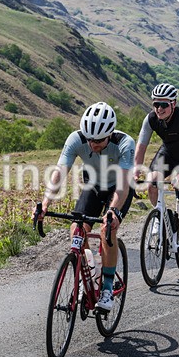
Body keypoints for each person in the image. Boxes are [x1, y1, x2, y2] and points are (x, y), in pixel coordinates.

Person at [38, 102, 135, 311]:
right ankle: (90, 271)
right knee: (76, 230)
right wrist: (46, 202)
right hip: (93, 186)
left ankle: (107, 287)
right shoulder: (76, 139)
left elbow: (123, 187)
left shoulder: (125, 143)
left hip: (119, 189)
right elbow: (60, 172)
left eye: (98, 140)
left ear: (109, 134)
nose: (92, 145)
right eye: (89, 139)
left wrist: (112, 211)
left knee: (107, 230)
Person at [134, 83, 179, 270]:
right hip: (168, 152)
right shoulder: (150, 119)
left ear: (173, 104)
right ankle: (159, 216)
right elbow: (141, 147)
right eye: (156, 104)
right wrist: (136, 170)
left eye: (164, 104)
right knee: (152, 182)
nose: (159, 108)